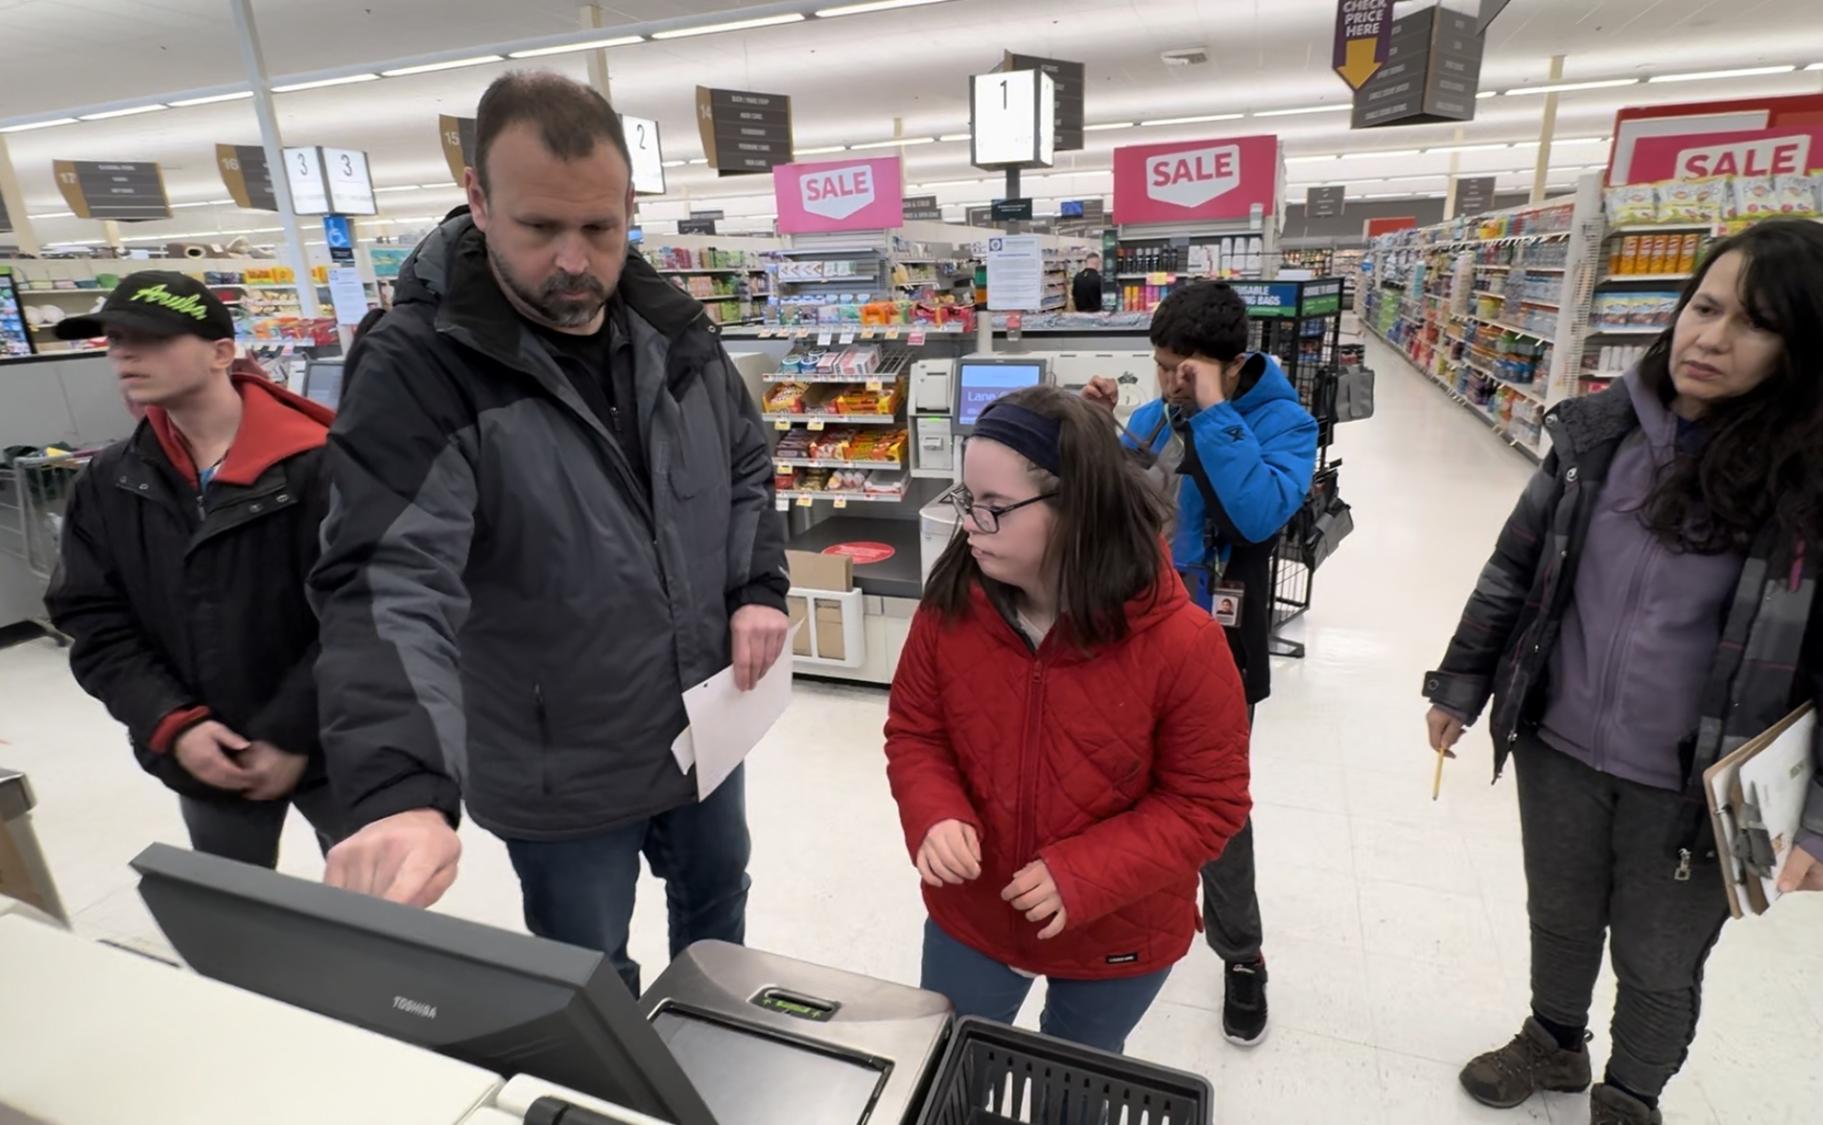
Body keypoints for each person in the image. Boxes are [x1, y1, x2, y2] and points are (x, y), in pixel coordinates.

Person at [308, 71, 789, 996]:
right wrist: (402, 789)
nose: (574, 260)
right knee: (587, 969)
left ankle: (711, 1060)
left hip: (704, 726)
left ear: (630, 207)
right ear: (478, 202)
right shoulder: (419, 367)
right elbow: (386, 577)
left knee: (717, 917)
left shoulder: (676, 330)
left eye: (600, 229)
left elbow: (745, 466)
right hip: (556, 762)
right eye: (539, 229)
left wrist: (756, 587)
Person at [1423, 219, 1823, 1125]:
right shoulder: (1597, 435)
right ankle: (1554, 1041)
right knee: (1559, 914)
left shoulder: (1807, 490)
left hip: (1699, 790)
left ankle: (1630, 1094)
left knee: (1657, 958)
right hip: (1559, 744)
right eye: (1704, 306)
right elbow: (1512, 571)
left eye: (1753, 324)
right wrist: (1460, 682)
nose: (1710, 338)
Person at [884, 385, 1251, 1054]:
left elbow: (1208, 802)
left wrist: (1085, 874)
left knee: (1075, 1087)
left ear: (1076, 508)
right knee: (953, 1068)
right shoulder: (950, 606)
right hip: (975, 910)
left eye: (992, 508)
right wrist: (932, 811)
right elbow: (915, 730)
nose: (969, 524)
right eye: (966, 500)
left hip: (1118, 927)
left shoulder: (1183, 644)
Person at [44, 272, 346, 867]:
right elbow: (93, 618)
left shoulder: (326, 466)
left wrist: (292, 729)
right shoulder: (109, 483)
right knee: (236, 920)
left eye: (151, 338)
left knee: (380, 921)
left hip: (341, 741)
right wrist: (173, 723)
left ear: (222, 353)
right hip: (203, 751)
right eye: (114, 338)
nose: (125, 352)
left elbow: (367, 612)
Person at [1085, 280, 1318, 1046]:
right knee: (1125, 778)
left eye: (1182, 372)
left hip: (1221, 644)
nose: (1166, 386)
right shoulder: (1155, 416)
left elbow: (1256, 512)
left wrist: (1215, 412)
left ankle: (1239, 952)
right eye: (1159, 368)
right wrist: (1094, 433)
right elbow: (1116, 504)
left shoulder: (1288, 424)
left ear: (1229, 363)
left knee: (1215, 804)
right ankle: (1138, 912)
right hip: (1143, 633)